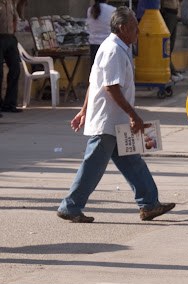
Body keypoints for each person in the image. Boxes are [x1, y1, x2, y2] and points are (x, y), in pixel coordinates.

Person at [57, 7, 175, 223]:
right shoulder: (114, 50)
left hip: (115, 121)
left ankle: (149, 204)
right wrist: (134, 116)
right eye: (134, 27)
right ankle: (70, 206)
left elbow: (95, 82)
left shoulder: (114, 47)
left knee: (133, 162)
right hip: (108, 121)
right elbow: (110, 87)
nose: (138, 32)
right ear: (123, 28)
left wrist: (84, 111)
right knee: (93, 166)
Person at [0, 0, 22, 114]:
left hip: (10, 38)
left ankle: (10, 104)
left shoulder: (10, 3)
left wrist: (14, 31)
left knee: (15, 69)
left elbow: (14, 18)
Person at [88, 0, 117, 66]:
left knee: (95, 69)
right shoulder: (112, 10)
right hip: (108, 44)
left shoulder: (90, 10)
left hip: (94, 44)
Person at [160, 0, 183, 81]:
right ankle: (170, 71)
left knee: (171, 45)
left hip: (174, 13)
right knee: (166, 45)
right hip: (167, 12)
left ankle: (171, 70)